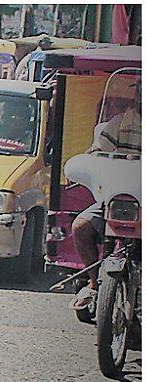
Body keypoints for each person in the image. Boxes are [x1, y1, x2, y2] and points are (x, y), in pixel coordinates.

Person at [70, 90, 142, 311]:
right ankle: (94, 284)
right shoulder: (121, 122)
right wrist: (94, 155)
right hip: (117, 199)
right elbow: (100, 148)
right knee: (80, 227)